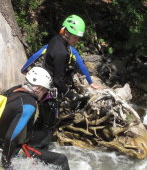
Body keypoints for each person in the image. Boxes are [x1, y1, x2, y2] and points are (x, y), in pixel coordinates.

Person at [20, 14, 101, 147]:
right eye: (75, 37)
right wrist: (70, 94)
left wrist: (88, 80)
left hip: (43, 86)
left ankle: (28, 142)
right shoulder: (61, 52)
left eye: (78, 38)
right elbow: (58, 80)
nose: (77, 40)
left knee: (42, 119)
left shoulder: (56, 40)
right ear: (66, 33)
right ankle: (36, 151)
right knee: (49, 124)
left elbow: (75, 64)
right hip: (50, 90)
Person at [0, 67, 75, 170]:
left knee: (42, 141)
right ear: (37, 88)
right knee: (61, 160)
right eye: (45, 91)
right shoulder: (29, 105)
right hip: (7, 148)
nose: (45, 94)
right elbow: (12, 137)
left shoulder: (14, 90)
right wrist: (6, 165)